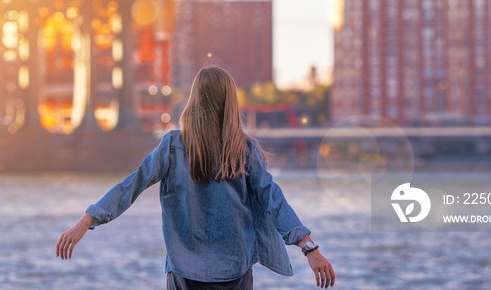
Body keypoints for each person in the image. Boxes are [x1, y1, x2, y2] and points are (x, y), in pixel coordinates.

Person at [56, 66, 335, 288]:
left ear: (195, 100)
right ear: (230, 102)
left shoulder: (173, 146)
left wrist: (87, 221)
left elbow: (132, 185)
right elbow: (274, 200)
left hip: (183, 274)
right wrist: (309, 248)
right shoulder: (244, 149)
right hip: (234, 272)